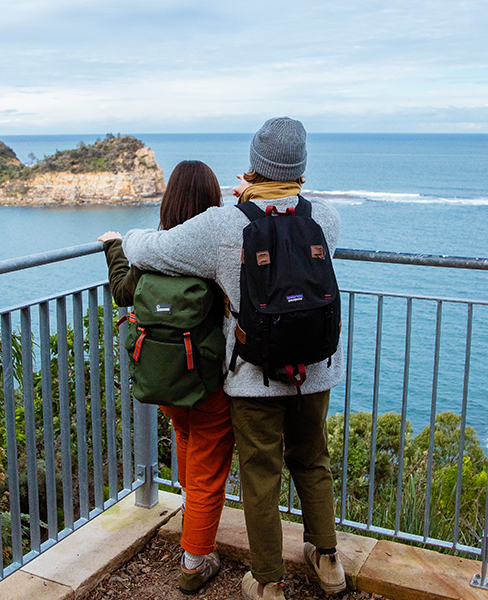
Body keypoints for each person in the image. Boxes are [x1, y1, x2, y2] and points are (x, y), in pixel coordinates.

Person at [119, 117, 346, 600]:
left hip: (252, 375)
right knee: (312, 460)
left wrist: (122, 239)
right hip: (315, 369)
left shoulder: (225, 224)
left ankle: (267, 583)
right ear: (301, 166)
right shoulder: (325, 217)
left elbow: (151, 248)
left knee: (261, 475)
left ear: (254, 166)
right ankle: (328, 562)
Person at [98, 160, 235, 595]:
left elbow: (122, 291)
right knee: (209, 467)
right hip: (208, 379)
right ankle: (194, 561)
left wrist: (115, 246)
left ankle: (191, 513)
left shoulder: (152, 249)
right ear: (211, 202)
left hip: (165, 376)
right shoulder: (212, 251)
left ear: (169, 200)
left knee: (189, 444)